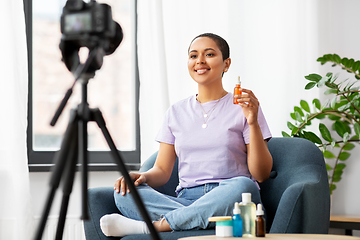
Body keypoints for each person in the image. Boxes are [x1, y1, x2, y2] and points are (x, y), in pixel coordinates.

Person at [99, 33, 273, 237]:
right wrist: (142, 176)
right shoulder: (176, 112)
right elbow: (163, 170)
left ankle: (155, 226)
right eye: (193, 56)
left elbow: (261, 174)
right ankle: (204, 220)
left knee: (244, 186)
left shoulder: (245, 107)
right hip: (185, 199)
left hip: (228, 195)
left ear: (226, 64)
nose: (200, 61)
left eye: (209, 54)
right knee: (124, 194)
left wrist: (252, 121)